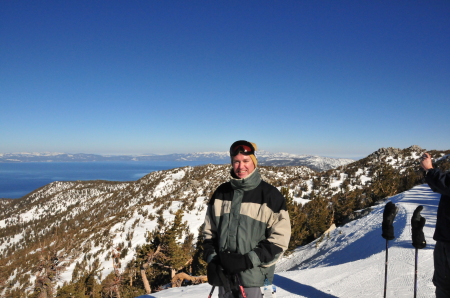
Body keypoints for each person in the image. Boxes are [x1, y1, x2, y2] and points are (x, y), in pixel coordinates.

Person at [202, 140, 291, 298]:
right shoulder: (221, 193)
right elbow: (209, 232)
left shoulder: (270, 196)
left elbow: (279, 241)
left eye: (246, 161)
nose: (241, 166)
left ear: (254, 162)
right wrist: (212, 259)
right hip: (225, 277)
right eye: (236, 161)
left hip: (254, 279)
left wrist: (247, 261)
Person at [420, 152, 450, 297]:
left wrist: (430, 170)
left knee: (444, 283)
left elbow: (446, 184)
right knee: (443, 281)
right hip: (445, 237)